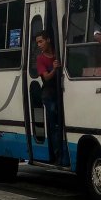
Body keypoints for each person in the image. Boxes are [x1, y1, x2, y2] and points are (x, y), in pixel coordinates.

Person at [35, 31, 63, 164]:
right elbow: (45, 77)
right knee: (55, 125)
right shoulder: (40, 59)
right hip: (49, 94)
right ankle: (58, 154)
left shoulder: (58, 53)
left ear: (49, 40)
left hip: (61, 91)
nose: (39, 45)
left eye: (41, 41)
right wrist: (54, 69)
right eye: (38, 43)